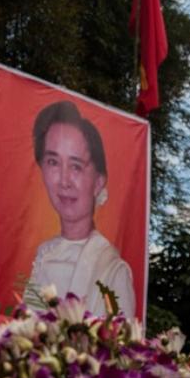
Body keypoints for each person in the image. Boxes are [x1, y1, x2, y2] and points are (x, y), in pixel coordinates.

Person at [24, 100, 136, 315]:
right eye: (53, 163)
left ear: (98, 181)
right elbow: (26, 329)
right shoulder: (44, 256)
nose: (64, 181)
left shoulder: (112, 269)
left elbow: (120, 345)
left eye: (76, 166)